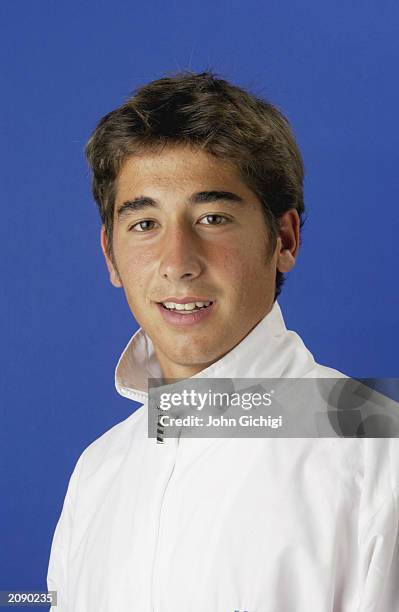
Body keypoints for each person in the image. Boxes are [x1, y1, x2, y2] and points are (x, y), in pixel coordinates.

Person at [47, 72, 398, 611]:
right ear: (109, 254)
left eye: (213, 218)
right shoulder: (98, 473)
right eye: (144, 223)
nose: (177, 263)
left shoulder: (378, 453)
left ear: (283, 240)